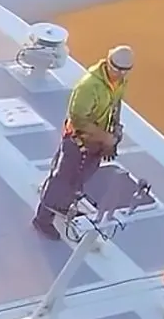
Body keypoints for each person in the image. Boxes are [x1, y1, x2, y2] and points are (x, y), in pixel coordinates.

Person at [33, 44, 134, 238]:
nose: (118, 73)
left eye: (123, 70)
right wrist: (106, 139)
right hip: (77, 142)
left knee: (79, 181)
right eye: (115, 68)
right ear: (108, 61)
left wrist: (114, 131)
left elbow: (115, 105)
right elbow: (79, 119)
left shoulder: (119, 83)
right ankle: (43, 219)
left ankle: (62, 206)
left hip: (96, 144)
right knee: (61, 180)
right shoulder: (89, 86)